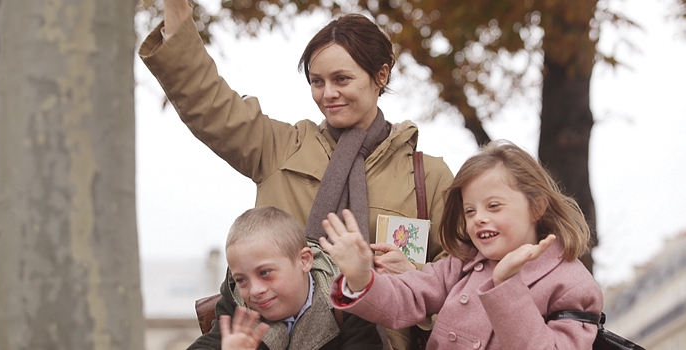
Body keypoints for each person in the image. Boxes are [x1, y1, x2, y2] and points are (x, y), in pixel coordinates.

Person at [140, 3, 454, 348]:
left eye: (342, 79)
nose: (328, 94)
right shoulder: (279, 149)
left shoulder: (427, 176)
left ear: (381, 75)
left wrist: (413, 276)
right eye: (317, 82)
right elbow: (208, 103)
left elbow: (470, 280)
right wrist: (178, 17)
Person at [319, 140, 604, 349]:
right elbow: (407, 297)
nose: (479, 219)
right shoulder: (464, 260)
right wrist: (359, 278)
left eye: (494, 206)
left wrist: (506, 285)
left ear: (536, 206)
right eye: (470, 211)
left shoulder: (572, 284)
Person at [188, 206, 383, 350]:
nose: (255, 290)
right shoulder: (237, 307)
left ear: (304, 261)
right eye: (241, 280)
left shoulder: (347, 302)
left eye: (265, 273)